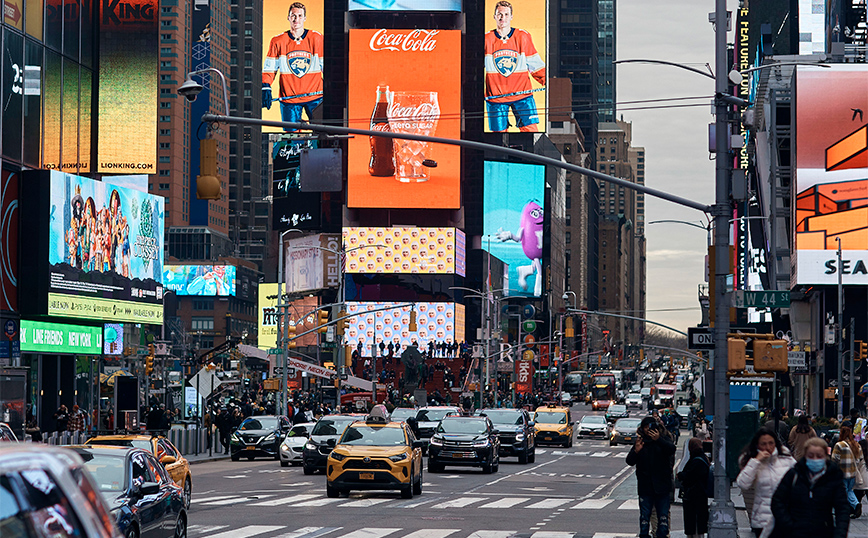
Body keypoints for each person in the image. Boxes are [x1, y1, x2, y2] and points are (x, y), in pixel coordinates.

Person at [484, 0, 546, 132]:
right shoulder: (486, 39)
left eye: (506, 14)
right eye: (500, 14)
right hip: (496, 98)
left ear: (511, 16)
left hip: (522, 96)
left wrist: (548, 81)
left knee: (531, 132)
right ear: (494, 16)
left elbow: (536, 65)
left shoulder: (523, 36)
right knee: (498, 138)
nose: (503, 18)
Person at [770, 437, 850, 538]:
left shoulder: (833, 477)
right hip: (795, 532)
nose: (815, 459)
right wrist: (788, 524)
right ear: (805, 456)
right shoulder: (794, 475)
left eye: (819, 456)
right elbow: (777, 500)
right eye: (811, 456)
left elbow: (842, 508)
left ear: (825, 456)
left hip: (823, 532)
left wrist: (840, 533)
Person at [262, 2, 323, 129]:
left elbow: (327, 67)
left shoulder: (317, 38)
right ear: (288, 17)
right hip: (289, 100)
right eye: (293, 16)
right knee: (292, 138)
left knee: (321, 134)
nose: (297, 19)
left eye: (300, 16)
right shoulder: (278, 41)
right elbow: (269, 69)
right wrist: (265, 86)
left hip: (315, 97)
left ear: (305, 18)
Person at [736, 428, 796, 538]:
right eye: (763, 444)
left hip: (785, 516)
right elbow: (743, 483)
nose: (768, 447)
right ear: (757, 445)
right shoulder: (752, 461)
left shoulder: (786, 458)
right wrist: (756, 461)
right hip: (763, 518)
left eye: (771, 443)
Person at [626, 416, 677, 538]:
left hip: (662, 485)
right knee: (645, 516)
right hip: (646, 486)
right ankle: (644, 535)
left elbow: (671, 449)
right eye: (646, 428)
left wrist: (658, 439)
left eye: (651, 428)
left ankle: (662, 535)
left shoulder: (663, 440)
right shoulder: (641, 442)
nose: (649, 431)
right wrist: (636, 451)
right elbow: (629, 461)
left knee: (663, 517)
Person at [677, 438, 710, 538]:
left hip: (693, 495)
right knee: (699, 520)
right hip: (701, 494)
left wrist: (681, 475)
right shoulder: (703, 458)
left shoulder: (695, 461)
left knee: (693, 520)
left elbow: (689, 476)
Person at [831, 424, 864, 518]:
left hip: (842, 472)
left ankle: (843, 509)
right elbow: (860, 458)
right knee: (849, 490)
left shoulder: (839, 445)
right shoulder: (856, 445)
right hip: (853, 472)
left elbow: (834, 459)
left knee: (842, 491)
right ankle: (856, 504)